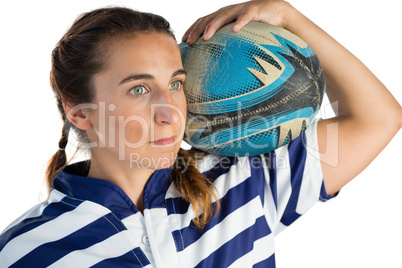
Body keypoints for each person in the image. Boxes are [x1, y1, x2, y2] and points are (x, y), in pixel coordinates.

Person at [0, 0, 400, 267]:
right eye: (138, 89)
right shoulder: (26, 250)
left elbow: (378, 119)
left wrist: (287, 16)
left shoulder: (243, 181)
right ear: (79, 111)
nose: (168, 111)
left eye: (175, 83)